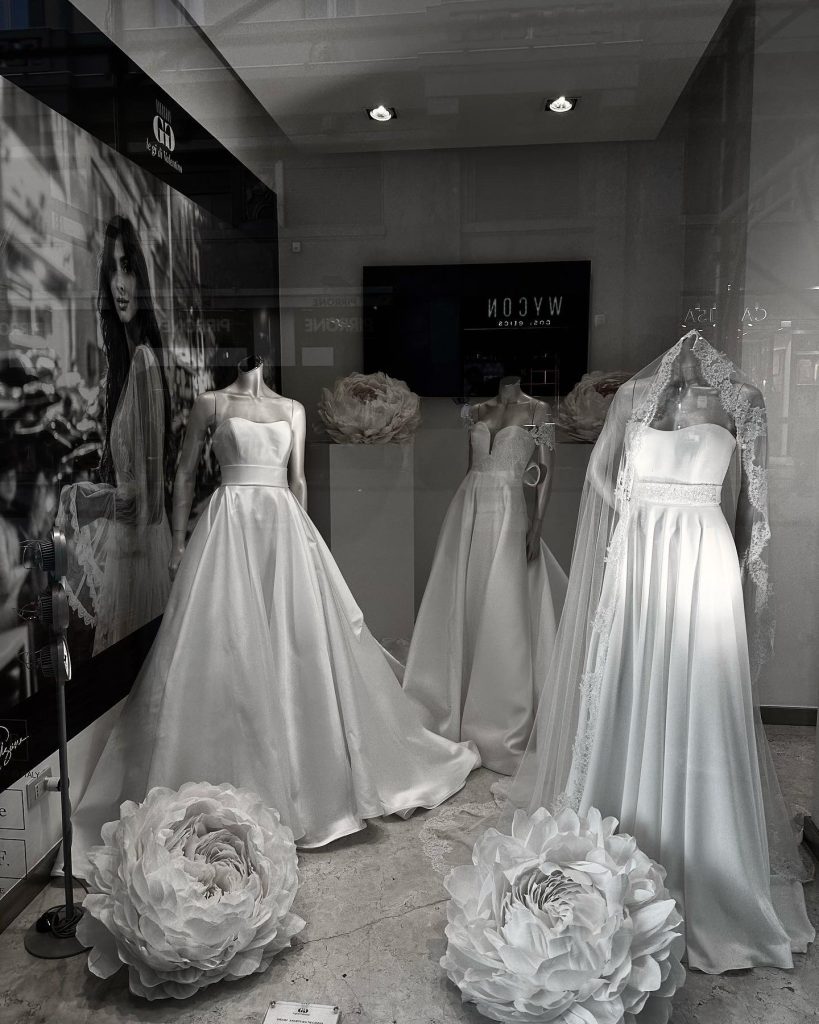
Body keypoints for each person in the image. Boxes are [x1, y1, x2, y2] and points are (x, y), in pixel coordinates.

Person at [68, 356, 480, 869]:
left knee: (296, 648)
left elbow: (299, 480)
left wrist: (305, 540)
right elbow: (182, 473)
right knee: (225, 643)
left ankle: (313, 788)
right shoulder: (211, 402)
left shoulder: (293, 409)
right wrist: (176, 542)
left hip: (283, 528)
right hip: (230, 525)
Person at [56, 215, 172, 655]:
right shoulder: (130, 365)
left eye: (128, 268)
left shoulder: (143, 363)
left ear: (141, 275)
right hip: (134, 555)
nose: (120, 283)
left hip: (138, 559)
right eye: (112, 270)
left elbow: (149, 500)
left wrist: (85, 498)